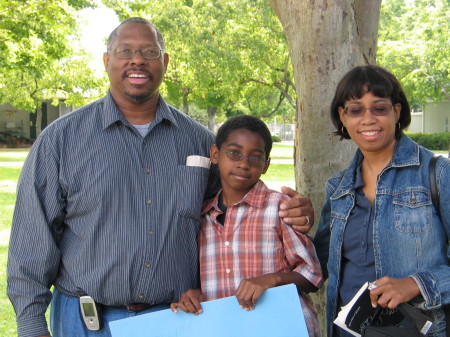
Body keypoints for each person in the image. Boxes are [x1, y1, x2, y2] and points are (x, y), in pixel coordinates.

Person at [7, 17, 314, 337]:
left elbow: (234, 206)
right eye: (125, 50)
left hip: (174, 319)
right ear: (106, 60)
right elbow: (33, 236)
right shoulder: (61, 140)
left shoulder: (197, 140)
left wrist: (295, 211)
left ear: (165, 62)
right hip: (85, 322)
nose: (137, 59)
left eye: (149, 52)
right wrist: (30, 325)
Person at [314, 65, 450, 337]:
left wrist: (416, 284)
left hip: (415, 330)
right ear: (343, 116)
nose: (368, 119)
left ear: (396, 112)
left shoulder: (436, 174)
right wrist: (293, 221)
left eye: (379, 108)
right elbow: (317, 265)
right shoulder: (338, 188)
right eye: (356, 109)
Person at [170, 115, 323, 337]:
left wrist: (272, 280)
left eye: (255, 157)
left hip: (283, 327)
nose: (244, 163)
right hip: (227, 328)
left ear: (266, 165)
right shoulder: (203, 217)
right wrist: (194, 295)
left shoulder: (280, 208)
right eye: (234, 153)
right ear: (215, 154)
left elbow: (312, 275)